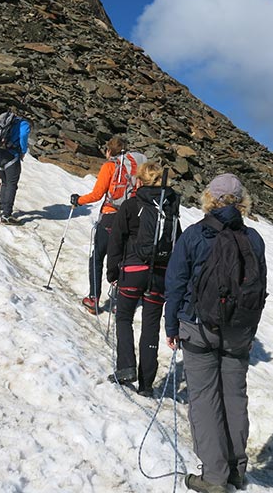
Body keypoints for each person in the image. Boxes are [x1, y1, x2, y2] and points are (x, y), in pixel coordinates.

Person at [164, 173, 266, 493]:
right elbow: (259, 288)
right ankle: (237, 470)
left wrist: (171, 326)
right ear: (241, 202)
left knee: (204, 399)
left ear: (210, 198)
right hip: (239, 332)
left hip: (198, 328)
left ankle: (213, 477)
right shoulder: (254, 239)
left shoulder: (194, 235)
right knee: (234, 397)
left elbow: (176, 283)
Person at [106, 161, 181, 396]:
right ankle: (147, 385)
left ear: (140, 180)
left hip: (132, 272)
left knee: (124, 317)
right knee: (150, 327)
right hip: (159, 275)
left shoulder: (131, 205)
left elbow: (116, 240)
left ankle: (126, 366)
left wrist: (112, 273)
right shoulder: (170, 208)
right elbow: (176, 243)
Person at [70, 136, 142, 313]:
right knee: (121, 258)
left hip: (110, 216)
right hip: (130, 217)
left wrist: (78, 200)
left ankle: (94, 298)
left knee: (98, 256)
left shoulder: (109, 167)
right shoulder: (135, 166)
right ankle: (120, 299)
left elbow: (97, 194)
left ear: (109, 151)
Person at [0, 114, 30, 224]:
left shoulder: (0, 122)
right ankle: (6, 214)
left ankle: (2, 209)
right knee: (11, 184)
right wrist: (22, 151)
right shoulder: (23, 124)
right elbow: (23, 135)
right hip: (11, 155)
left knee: (5, 183)